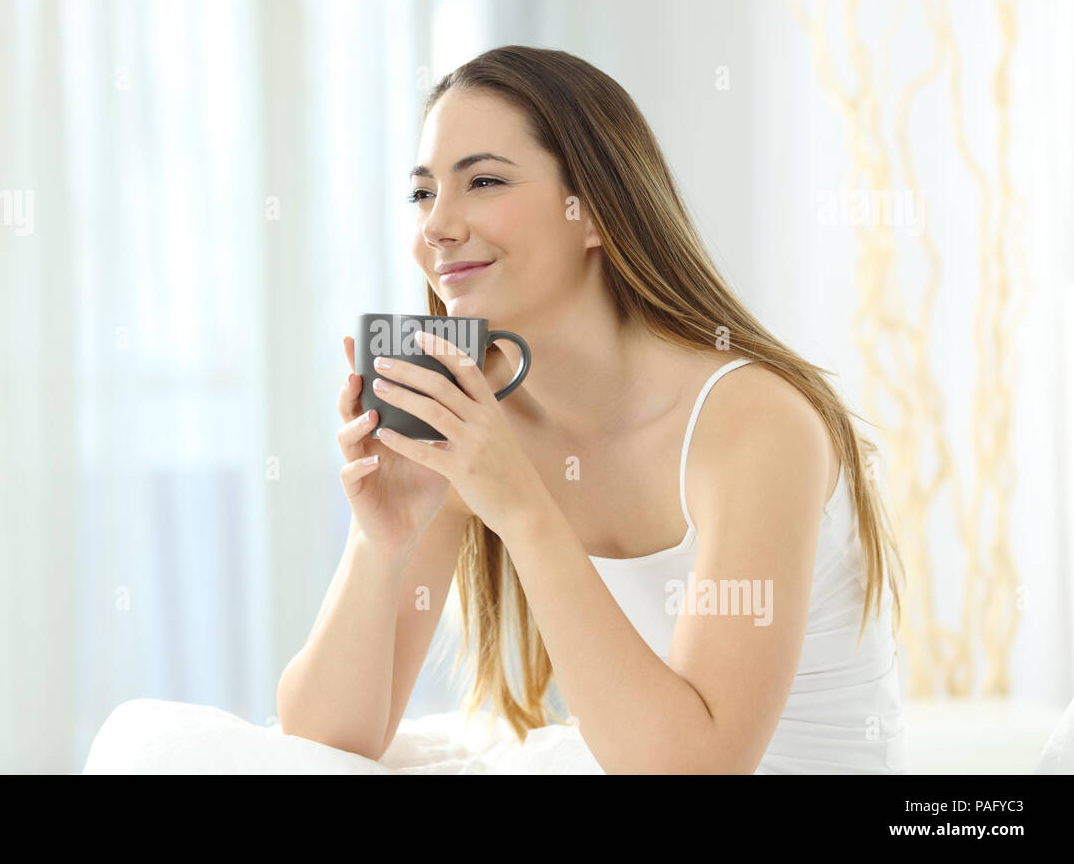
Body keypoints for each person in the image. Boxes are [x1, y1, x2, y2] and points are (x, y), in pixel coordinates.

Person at [85, 45, 909, 774]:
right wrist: (381, 539)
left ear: (594, 212)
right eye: (421, 193)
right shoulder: (480, 415)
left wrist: (518, 501)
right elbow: (325, 738)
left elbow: (693, 768)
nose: (436, 228)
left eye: (483, 181)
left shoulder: (754, 421)